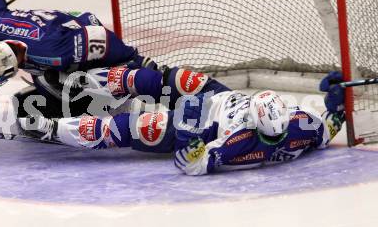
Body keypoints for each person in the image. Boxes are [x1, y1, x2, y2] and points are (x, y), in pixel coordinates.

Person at [17, 63, 346, 175]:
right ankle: (82, 80)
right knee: (175, 78)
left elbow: (190, 165)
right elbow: (326, 128)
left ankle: (53, 129)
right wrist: (337, 104)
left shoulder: (239, 147)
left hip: (201, 126)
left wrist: (190, 134)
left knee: (143, 127)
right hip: (218, 97)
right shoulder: (302, 125)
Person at [0, 0, 156, 117]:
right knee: (35, 97)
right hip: (57, 38)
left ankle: (125, 94)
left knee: (63, 84)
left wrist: (134, 60)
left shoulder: (52, 52)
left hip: (78, 32)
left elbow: (97, 36)